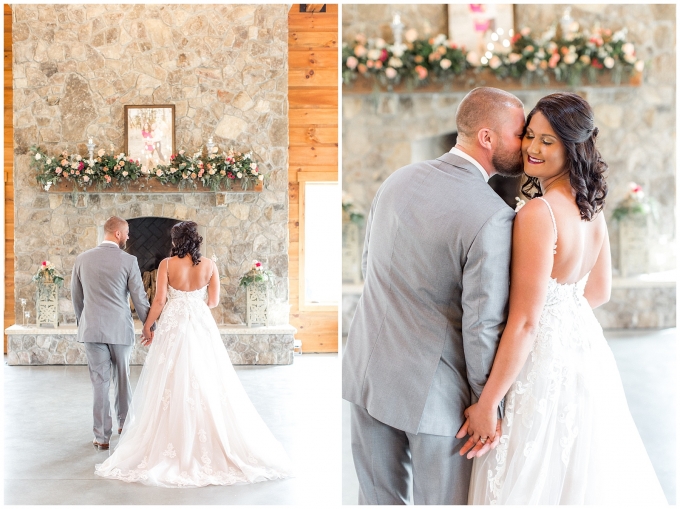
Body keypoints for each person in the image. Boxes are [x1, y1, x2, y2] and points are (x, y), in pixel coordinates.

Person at [461, 93, 668, 504]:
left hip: (541, 365)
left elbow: (524, 322)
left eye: (548, 141)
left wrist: (487, 404)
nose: (532, 149)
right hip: (585, 357)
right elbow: (598, 291)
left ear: (572, 147)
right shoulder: (593, 208)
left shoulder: (538, 213)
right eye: (529, 136)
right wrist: (563, 316)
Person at [342, 87, 526, 504]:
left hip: (366, 373)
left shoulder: (397, 179)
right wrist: (485, 403)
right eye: (518, 133)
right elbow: (483, 324)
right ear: (487, 137)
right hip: (435, 397)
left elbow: (370, 264)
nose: (526, 143)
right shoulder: (493, 216)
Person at [94, 221, 294, 487]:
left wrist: (147, 325)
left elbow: (160, 301)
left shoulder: (166, 265)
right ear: (197, 239)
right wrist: (195, 300)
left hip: (174, 324)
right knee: (206, 375)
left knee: (171, 378)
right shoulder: (210, 265)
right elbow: (212, 302)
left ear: (175, 240)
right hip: (200, 324)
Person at [72, 216, 153, 451]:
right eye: (127, 233)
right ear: (117, 233)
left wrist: (83, 322)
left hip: (92, 330)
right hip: (120, 329)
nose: (128, 237)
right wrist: (150, 326)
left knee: (99, 382)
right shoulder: (129, 260)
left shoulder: (82, 259)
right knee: (123, 379)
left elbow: (77, 297)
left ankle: (101, 436)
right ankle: (124, 426)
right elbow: (139, 297)